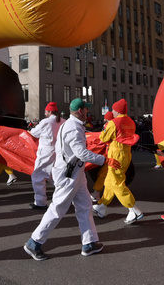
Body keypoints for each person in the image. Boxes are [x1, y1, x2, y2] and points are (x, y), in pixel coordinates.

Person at [23, 98, 117, 261]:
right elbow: (81, 153)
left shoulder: (71, 125)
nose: (88, 112)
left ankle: (89, 243)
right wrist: (105, 160)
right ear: (80, 111)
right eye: (86, 109)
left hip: (73, 171)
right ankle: (34, 242)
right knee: (58, 208)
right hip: (70, 172)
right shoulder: (72, 127)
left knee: (85, 205)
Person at [92, 99, 144, 224]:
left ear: (117, 110)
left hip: (116, 154)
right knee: (110, 181)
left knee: (116, 183)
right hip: (126, 154)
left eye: (114, 110)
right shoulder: (131, 122)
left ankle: (134, 209)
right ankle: (101, 206)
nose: (113, 112)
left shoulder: (114, 123)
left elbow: (103, 137)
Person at [26, 101, 63, 210]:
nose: (44, 112)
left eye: (45, 111)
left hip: (46, 152)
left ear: (49, 112)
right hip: (58, 152)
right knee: (54, 175)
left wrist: (30, 129)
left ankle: (40, 202)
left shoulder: (46, 122)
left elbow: (33, 133)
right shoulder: (63, 121)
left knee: (38, 176)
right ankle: (67, 195)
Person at [90, 111, 115, 202]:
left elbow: (104, 138)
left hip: (113, 155)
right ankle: (102, 200)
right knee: (110, 178)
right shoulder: (117, 124)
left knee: (105, 175)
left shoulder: (110, 126)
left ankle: (98, 195)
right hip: (116, 154)